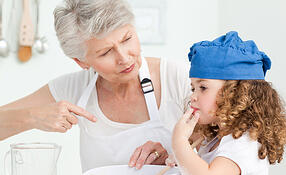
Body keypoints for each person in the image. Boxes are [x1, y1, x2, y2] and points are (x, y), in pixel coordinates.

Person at [0, 0, 191, 172]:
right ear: (81, 61)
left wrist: (178, 154)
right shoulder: (73, 88)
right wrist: (32, 116)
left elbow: (218, 142)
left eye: (127, 39)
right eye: (106, 52)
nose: (124, 58)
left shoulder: (179, 77)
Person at [171, 31, 286, 175]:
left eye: (203, 88)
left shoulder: (243, 143)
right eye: (193, 88)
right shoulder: (216, 139)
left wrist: (179, 143)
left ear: (235, 93)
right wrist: (181, 156)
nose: (193, 97)